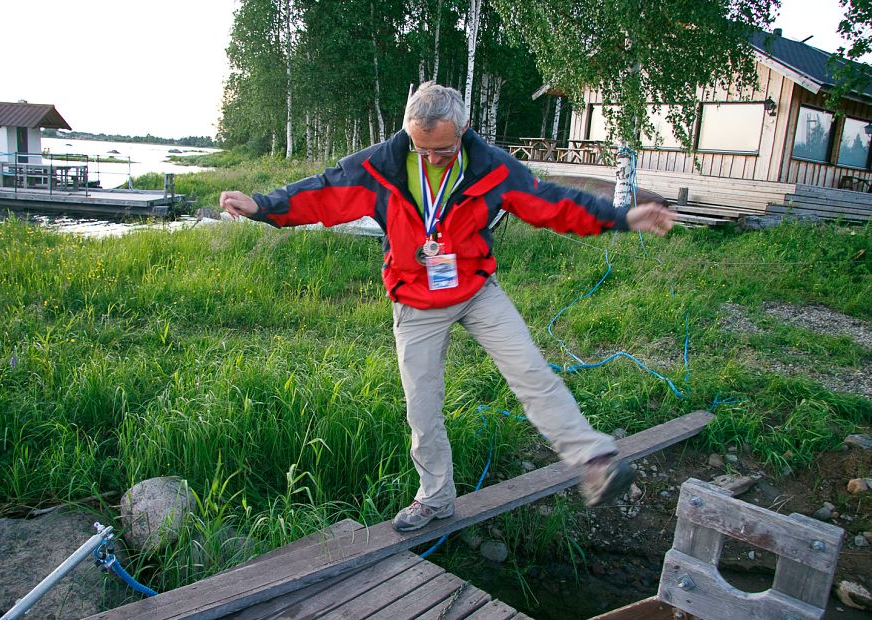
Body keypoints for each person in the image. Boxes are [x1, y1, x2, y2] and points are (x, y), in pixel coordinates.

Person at [220, 82, 677, 532]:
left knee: (532, 372)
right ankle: (435, 498)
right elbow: (321, 193)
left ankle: (594, 460)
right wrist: (262, 205)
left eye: (442, 150)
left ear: (463, 130)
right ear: (409, 134)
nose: (433, 159)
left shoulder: (492, 168)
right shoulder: (378, 167)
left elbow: (553, 203)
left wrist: (620, 217)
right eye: (422, 150)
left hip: (477, 289)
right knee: (423, 409)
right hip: (416, 300)